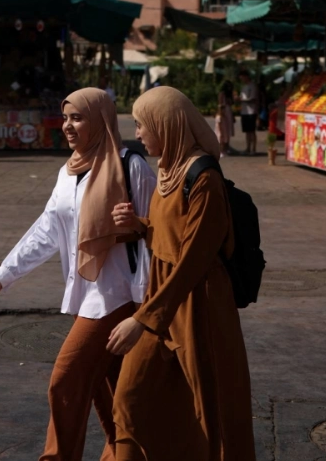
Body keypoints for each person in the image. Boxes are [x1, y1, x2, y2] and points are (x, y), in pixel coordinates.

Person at [0, 88, 155, 461]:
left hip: (118, 296)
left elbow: (161, 232)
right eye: (66, 117)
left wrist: (149, 306)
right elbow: (47, 229)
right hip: (83, 294)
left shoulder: (129, 165)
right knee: (109, 390)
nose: (68, 126)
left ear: (101, 120)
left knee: (66, 380)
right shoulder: (68, 170)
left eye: (78, 117)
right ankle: (122, 455)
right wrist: (3, 275)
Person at [108, 86, 255, 460]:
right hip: (162, 300)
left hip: (198, 306)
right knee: (129, 396)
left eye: (143, 125)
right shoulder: (169, 168)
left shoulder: (204, 179)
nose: (138, 133)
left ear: (167, 125)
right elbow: (173, 231)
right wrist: (141, 226)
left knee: (211, 409)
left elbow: (193, 259)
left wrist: (141, 321)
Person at [238, 69, 258, 155]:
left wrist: (243, 100)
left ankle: (253, 148)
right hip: (244, 111)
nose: (242, 80)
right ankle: (248, 147)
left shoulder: (252, 86)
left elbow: (253, 98)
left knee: (252, 131)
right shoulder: (243, 87)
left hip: (251, 111)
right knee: (246, 131)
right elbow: (241, 97)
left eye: (242, 78)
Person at [215, 79, 234, 156]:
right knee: (223, 130)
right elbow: (220, 105)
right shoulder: (222, 94)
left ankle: (227, 147)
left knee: (228, 130)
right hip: (224, 112)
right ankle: (222, 148)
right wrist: (221, 113)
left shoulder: (228, 95)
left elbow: (231, 103)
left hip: (228, 111)